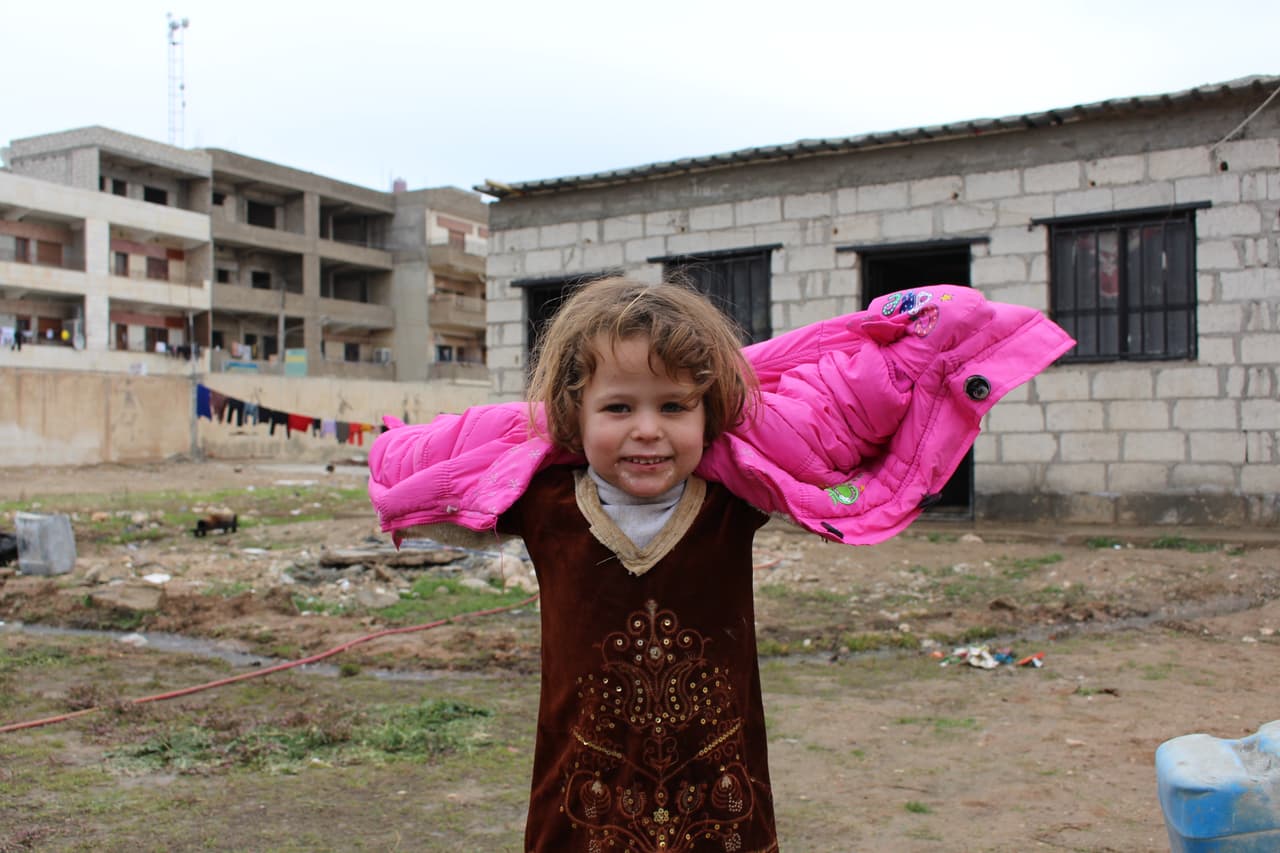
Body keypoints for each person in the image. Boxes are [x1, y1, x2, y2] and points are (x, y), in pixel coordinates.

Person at [368, 277, 1073, 852]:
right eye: (619, 406)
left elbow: (848, 416)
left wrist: (947, 353)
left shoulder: (737, 497)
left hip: (721, 807)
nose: (647, 427)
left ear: (712, 415)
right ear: (572, 414)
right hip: (581, 813)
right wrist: (397, 484)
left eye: (674, 405)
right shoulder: (544, 500)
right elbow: (449, 497)